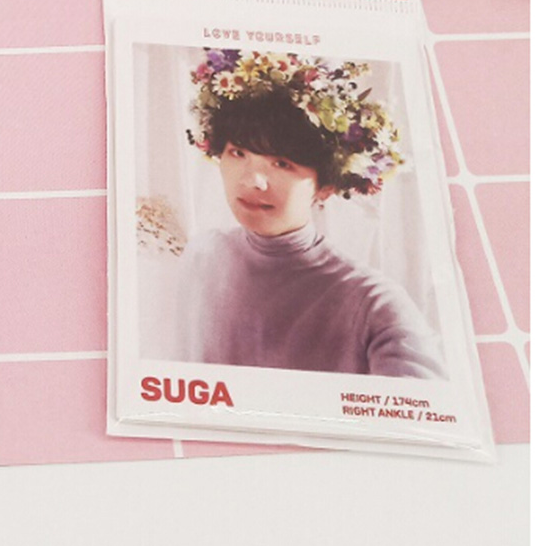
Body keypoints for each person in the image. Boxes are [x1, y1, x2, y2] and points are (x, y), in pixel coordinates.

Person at [171, 48, 446, 379]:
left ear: (326, 186)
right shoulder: (203, 254)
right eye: (238, 153)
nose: (252, 180)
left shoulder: (373, 303)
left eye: (281, 163)